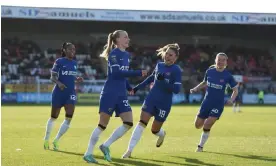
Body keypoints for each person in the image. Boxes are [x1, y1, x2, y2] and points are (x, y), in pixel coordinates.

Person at [83, 30, 147, 163]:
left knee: (128, 122)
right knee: (102, 125)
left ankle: (105, 145)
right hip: (110, 93)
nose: (128, 39)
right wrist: (138, 72)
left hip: (121, 94)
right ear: (117, 40)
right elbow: (117, 73)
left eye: (128, 37)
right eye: (125, 37)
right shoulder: (113, 54)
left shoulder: (126, 55)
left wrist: (129, 88)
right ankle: (88, 153)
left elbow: (122, 75)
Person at [122, 43, 182, 158]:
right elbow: (151, 78)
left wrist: (164, 80)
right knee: (141, 123)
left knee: (154, 130)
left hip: (164, 104)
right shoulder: (159, 65)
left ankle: (162, 134)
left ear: (175, 57)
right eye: (167, 54)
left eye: (171, 55)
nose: (168, 56)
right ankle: (129, 151)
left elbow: (177, 89)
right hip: (151, 99)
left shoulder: (176, 70)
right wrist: (137, 88)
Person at [190, 52, 239, 152]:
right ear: (215, 60)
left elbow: (235, 90)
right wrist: (196, 88)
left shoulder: (228, 76)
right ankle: (205, 122)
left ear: (226, 63)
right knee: (197, 125)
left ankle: (200, 146)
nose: (220, 62)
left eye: (223, 60)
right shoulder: (209, 71)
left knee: (207, 124)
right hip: (206, 103)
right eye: (219, 59)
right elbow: (204, 82)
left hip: (218, 104)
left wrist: (231, 99)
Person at [44, 42, 83, 150]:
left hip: (70, 93)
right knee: (53, 117)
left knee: (69, 117)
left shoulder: (75, 63)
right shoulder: (59, 61)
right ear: (65, 50)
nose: (72, 51)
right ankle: (46, 139)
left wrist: (77, 79)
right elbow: (52, 77)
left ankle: (56, 140)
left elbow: (70, 76)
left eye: (74, 49)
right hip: (58, 92)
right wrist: (59, 83)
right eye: (70, 49)